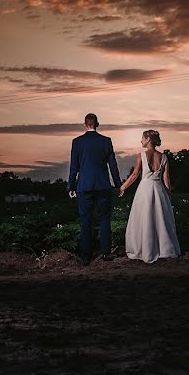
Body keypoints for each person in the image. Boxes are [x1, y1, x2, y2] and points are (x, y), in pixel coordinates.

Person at [67, 113, 122, 266]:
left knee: (86, 221)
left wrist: (71, 186)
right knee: (104, 219)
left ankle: (86, 257)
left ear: (85, 124)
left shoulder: (77, 142)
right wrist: (118, 185)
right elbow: (113, 166)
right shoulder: (106, 141)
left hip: (84, 186)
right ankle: (105, 253)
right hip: (103, 185)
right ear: (97, 124)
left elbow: (74, 167)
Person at [119, 129, 181, 263]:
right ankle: (163, 249)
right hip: (159, 190)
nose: (141, 141)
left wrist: (122, 188)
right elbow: (166, 181)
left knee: (144, 218)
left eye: (142, 138)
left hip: (145, 190)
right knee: (160, 220)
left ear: (148, 140)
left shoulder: (141, 155)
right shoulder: (164, 157)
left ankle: (145, 249)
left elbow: (135, 175)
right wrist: (168, 195)